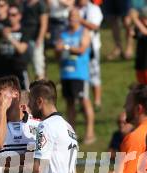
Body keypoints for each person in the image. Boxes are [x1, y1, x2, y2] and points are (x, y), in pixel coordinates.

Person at [56, 8, 95, 144]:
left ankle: (90, 132)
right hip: (66, 73)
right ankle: (72, 133)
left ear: (79, 18)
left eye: (75, 16)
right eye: (71, 16)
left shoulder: (84, 32)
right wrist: (58, 50)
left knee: (84, 101)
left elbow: (82, 49)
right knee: (69, 103)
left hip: (80, 73)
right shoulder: (64, 33)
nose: (72, 18)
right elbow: (58, 52)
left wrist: (65, 47)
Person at [76, 0, 103, 111]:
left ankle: (97, 101)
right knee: (81, 74)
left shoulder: (94, 9)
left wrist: (80, 20)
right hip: (78, 46)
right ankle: (83, 101)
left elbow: (95, 26)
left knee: (94, 73)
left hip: (92, 46)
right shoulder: (76, 8)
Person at [21, 0, 49, 79]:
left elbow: (44, 24)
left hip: (36, 38)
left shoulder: (41, 5)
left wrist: (40, 38)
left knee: (38, 63)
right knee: (27, 64)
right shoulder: (25, 4)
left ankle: (41, 85)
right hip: (25, 38)